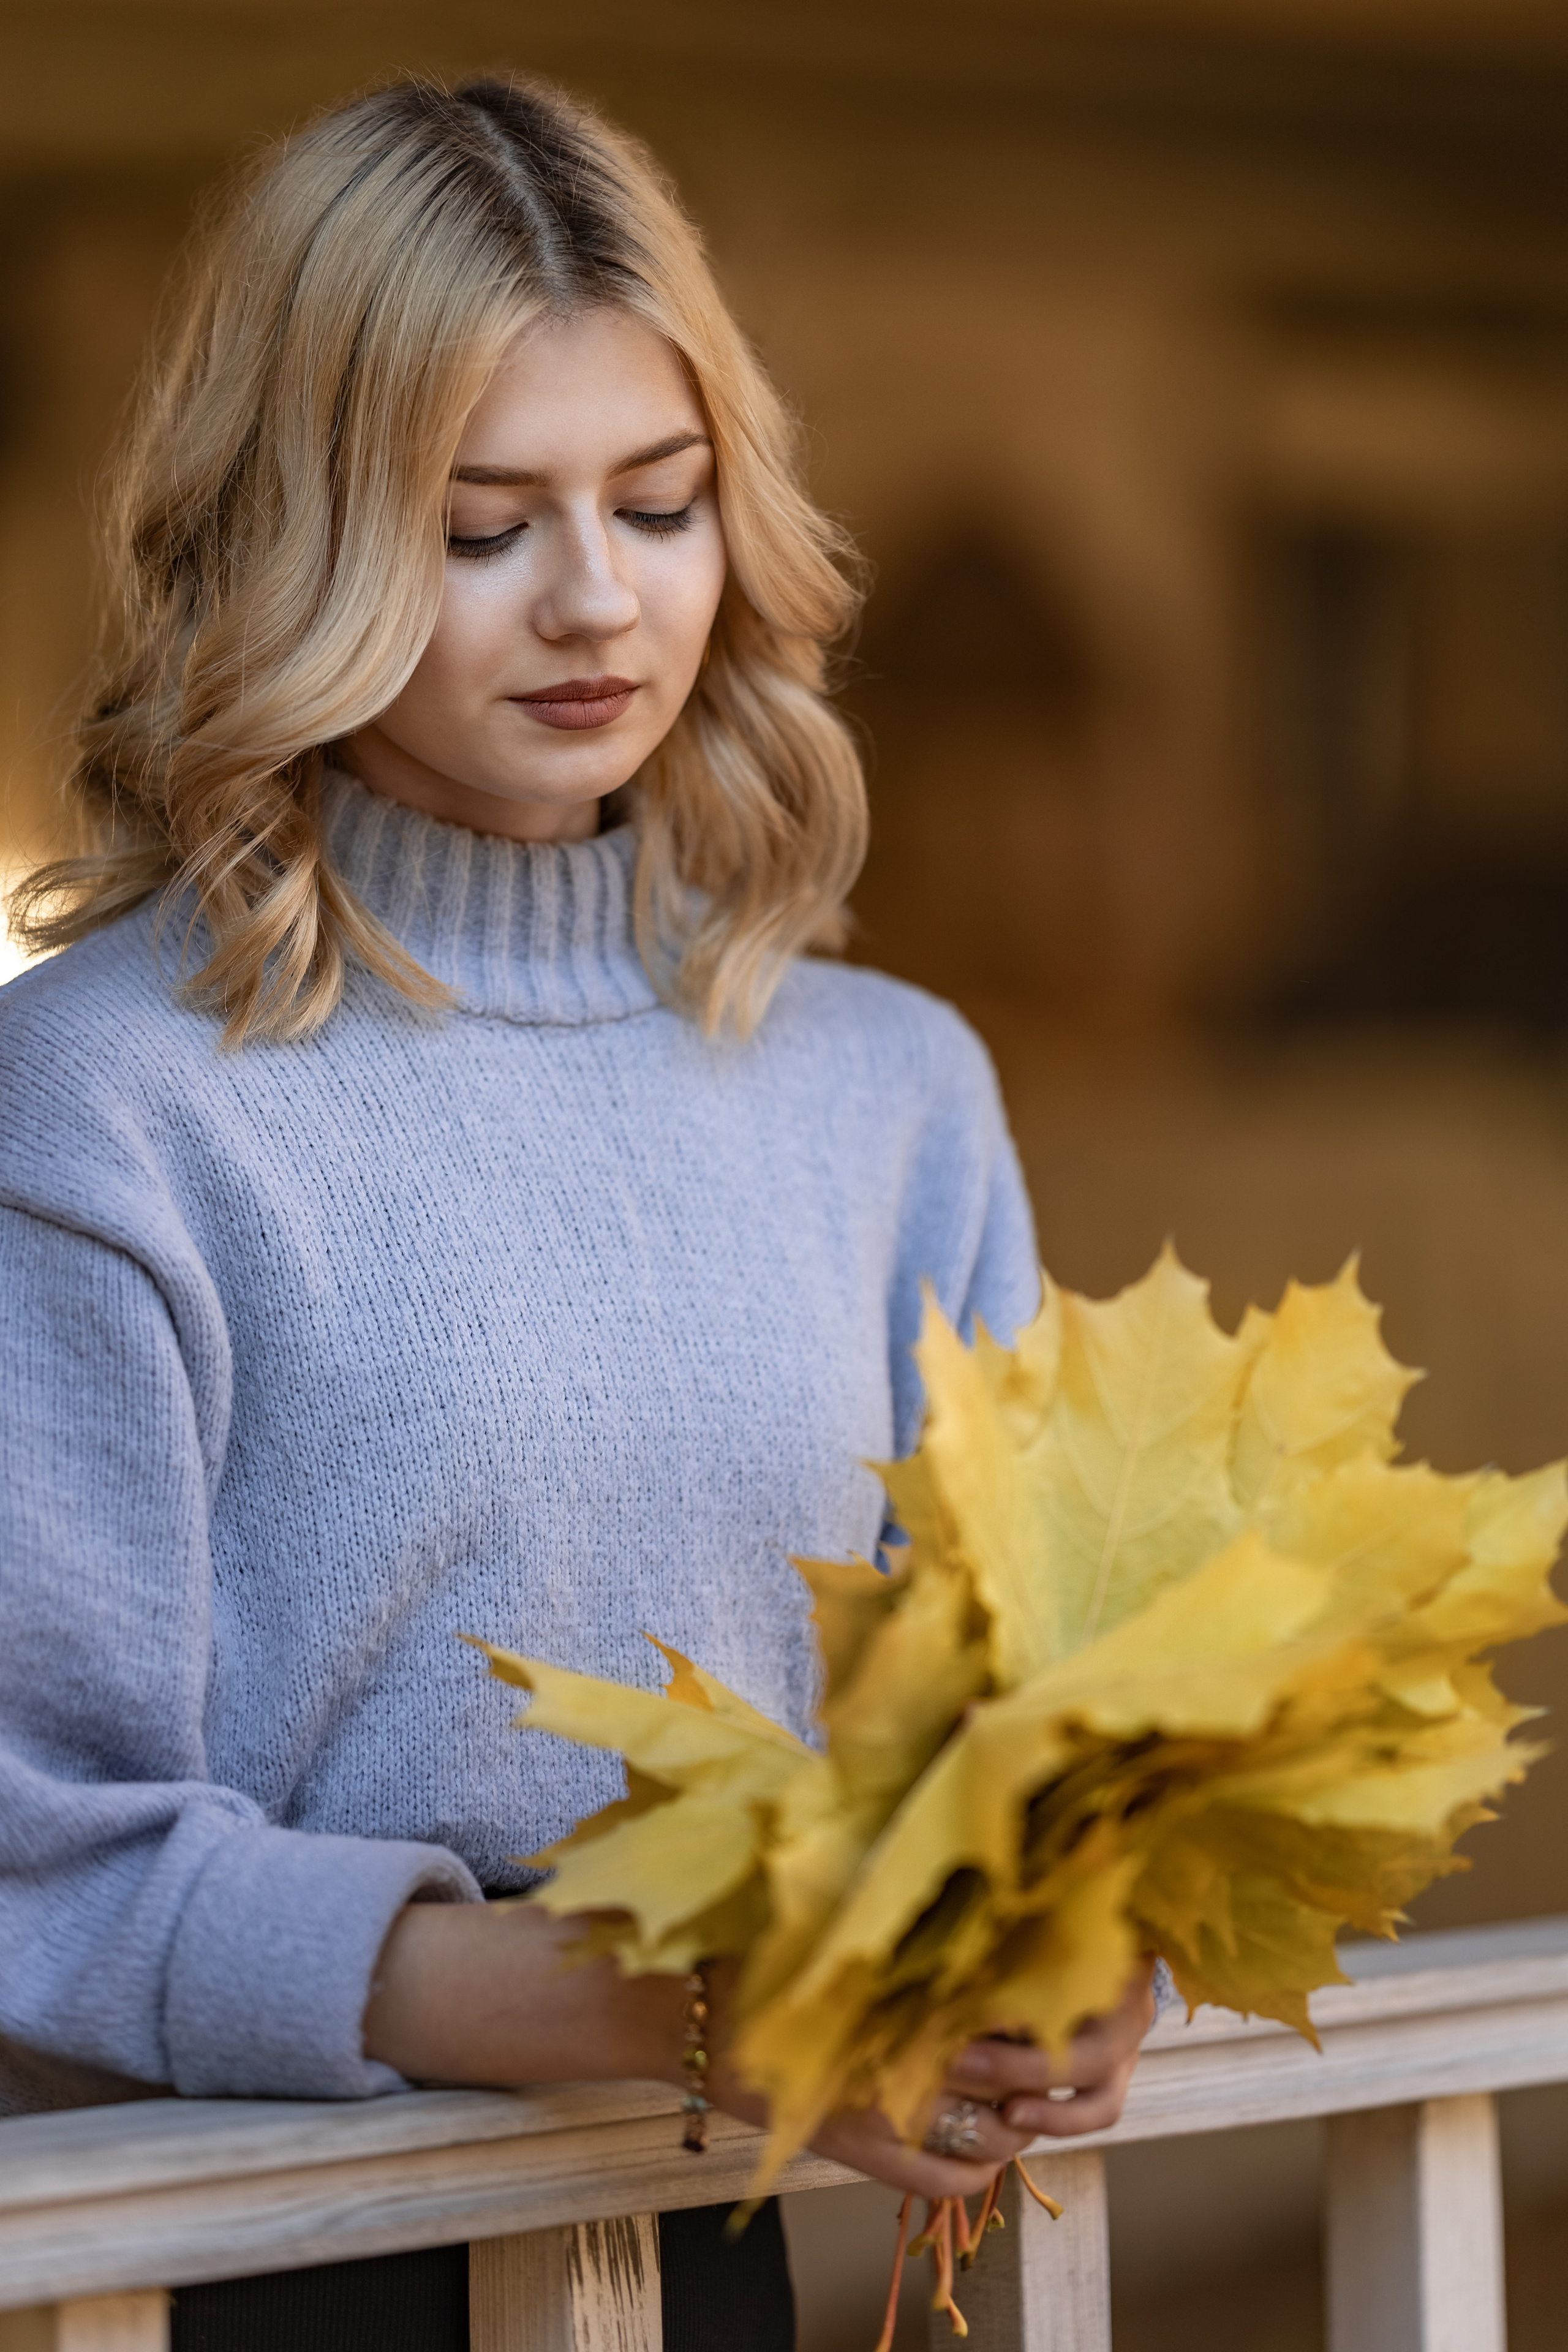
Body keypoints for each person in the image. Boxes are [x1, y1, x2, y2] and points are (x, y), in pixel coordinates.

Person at [0, 73, 1153, 2351]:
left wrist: (1073, 1935)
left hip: (725, 2250)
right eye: (480, 521)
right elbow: (36, 1857)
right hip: (227, 2258)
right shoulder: (107, 1100)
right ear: (298, 540)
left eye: (661, 499)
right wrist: (677, 2007)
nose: (599, 601)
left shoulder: (891, 1092)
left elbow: (1033, 1714)